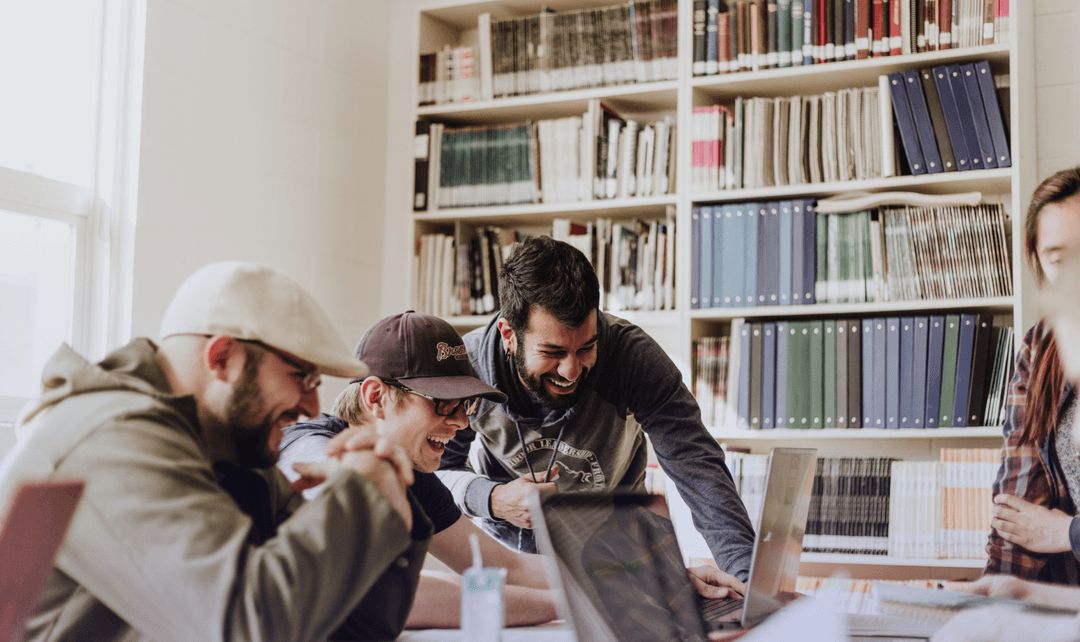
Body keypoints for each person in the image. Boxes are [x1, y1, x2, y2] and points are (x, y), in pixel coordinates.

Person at [0, 261, 431, 642]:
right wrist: (358, 493)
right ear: (222, 356)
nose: (312, 408)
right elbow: (249, 626)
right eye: (302, 377)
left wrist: (388, 497)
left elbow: (359, 626)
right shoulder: (113, 438)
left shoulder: (227, 446)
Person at [436, 235, 757, 588]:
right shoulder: (468, 368)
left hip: (617, 559)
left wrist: (746, 581)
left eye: (586, 348)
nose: (571, 370)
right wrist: (493, 499)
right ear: (509, 334)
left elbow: (698, 468)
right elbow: (436, 472)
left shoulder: (632, 358)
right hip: (511, 564)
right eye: (553, 352)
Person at [277, 310, 559, 628]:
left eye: (465, 405)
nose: (461, 422)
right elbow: (377, 591)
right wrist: (566, 605)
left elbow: (506, 567)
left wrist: (607, 578)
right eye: (443, 402)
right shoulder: (308, 448)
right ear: (375, 397)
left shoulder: (412, 475)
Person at [985, 166, 1080, 584]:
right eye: (1060, 259)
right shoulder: (1041, 348)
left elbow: (1049, 530)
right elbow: (1017, 511)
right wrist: (993, 596)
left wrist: (1066, 532)